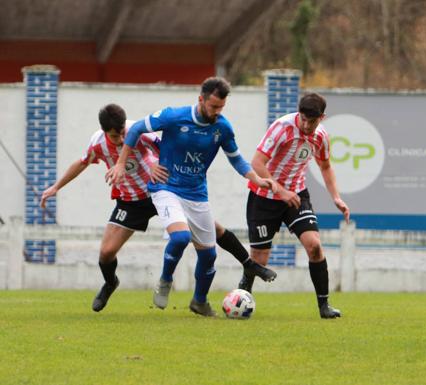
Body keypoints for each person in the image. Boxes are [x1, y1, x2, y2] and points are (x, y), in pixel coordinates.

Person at [40, 103, 272, 313]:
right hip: (131, 200)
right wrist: (56, 187)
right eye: (115, 136)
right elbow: (81, 163)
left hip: (161, 191)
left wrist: (154, 165)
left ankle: (248, 264)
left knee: (212, 230)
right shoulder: (98, 143)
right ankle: (111, 283)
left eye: (122, 132)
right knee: (106, 252)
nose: (121, 139)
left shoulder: (138, 132)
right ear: (104, 132)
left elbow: (168, 149)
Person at [107, 77, 276, 317]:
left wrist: (256, 179)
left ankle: (199, 301)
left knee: (208, 255)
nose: (217, 112)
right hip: (166, 188)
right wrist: (121, 164)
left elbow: (236, 158)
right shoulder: (174, 117)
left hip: (196, 193)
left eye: (221, 107)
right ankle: (165, 280)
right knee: (180, 238)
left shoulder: (223, 128)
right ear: (201, 100)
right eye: (213, 106)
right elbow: (135, 129)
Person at [240, 92, 350, 319]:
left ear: (322, 118)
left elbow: (326, 166)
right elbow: (257, 164)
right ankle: (241, 299)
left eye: (313, 121)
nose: (307, 125)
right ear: (299, 113)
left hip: (297, 195)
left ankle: (324, 306)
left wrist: (336, 197)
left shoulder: (321, 137)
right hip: (264, 196)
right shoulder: (282, 128)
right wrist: (280, 191)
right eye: (304, 119)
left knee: (315, 246)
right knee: (259, 258)